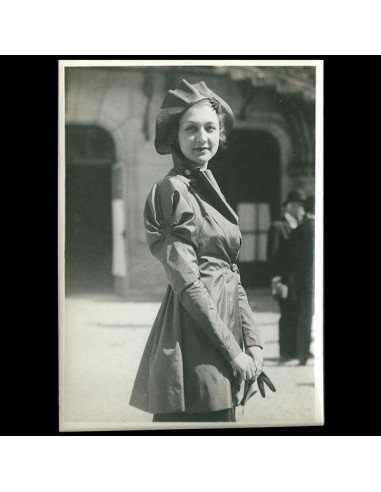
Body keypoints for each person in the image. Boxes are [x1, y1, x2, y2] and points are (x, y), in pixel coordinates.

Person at [129, 79, 264, 422]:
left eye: (210, 127)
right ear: (175, 135)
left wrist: (255, 342)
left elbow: (231, 272)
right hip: (194, 337)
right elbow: (188, 283)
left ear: (221, 133)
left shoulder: (207, 186)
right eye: (191, 129)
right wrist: (234, 352)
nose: (202, 137)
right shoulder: (170, 191)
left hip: (224, 329)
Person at [267, 189, 306, 361]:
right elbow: (273, 255)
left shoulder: (302, 226)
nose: (302, 209)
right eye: (299, 206)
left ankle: (297, 349)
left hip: (298, 279)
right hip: (284, 279)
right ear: (290, 206)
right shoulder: (278, 227)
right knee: (286, 313)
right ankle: (285, 351)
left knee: (298, 312)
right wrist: (276, 280)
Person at [290, 195, 315, 365]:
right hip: (312, 279)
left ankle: (302, 354)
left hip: (302, 278)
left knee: (304, 316)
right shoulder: (314, 227)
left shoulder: (301, 228)